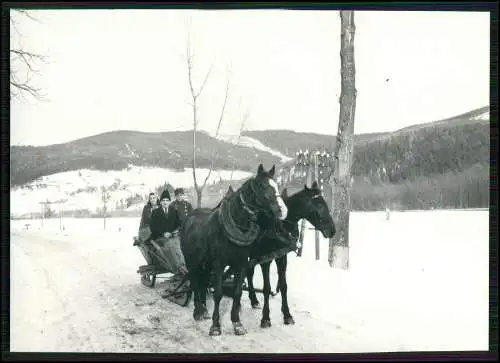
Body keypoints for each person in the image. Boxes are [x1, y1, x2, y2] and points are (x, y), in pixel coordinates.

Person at [150, 189, 188, 282]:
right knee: (171, 245)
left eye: (167, 200)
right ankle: (178, 269)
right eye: (163, 201)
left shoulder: (173, 211)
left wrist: (175, 231)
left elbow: (178, 224)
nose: (165, 202)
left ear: (170, 201)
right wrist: (163, 233)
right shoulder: (155, 212)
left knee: (180, 245)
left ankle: (184, 267)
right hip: (160, 238)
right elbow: (153, 228)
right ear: (161, 202)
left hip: (173, 236)